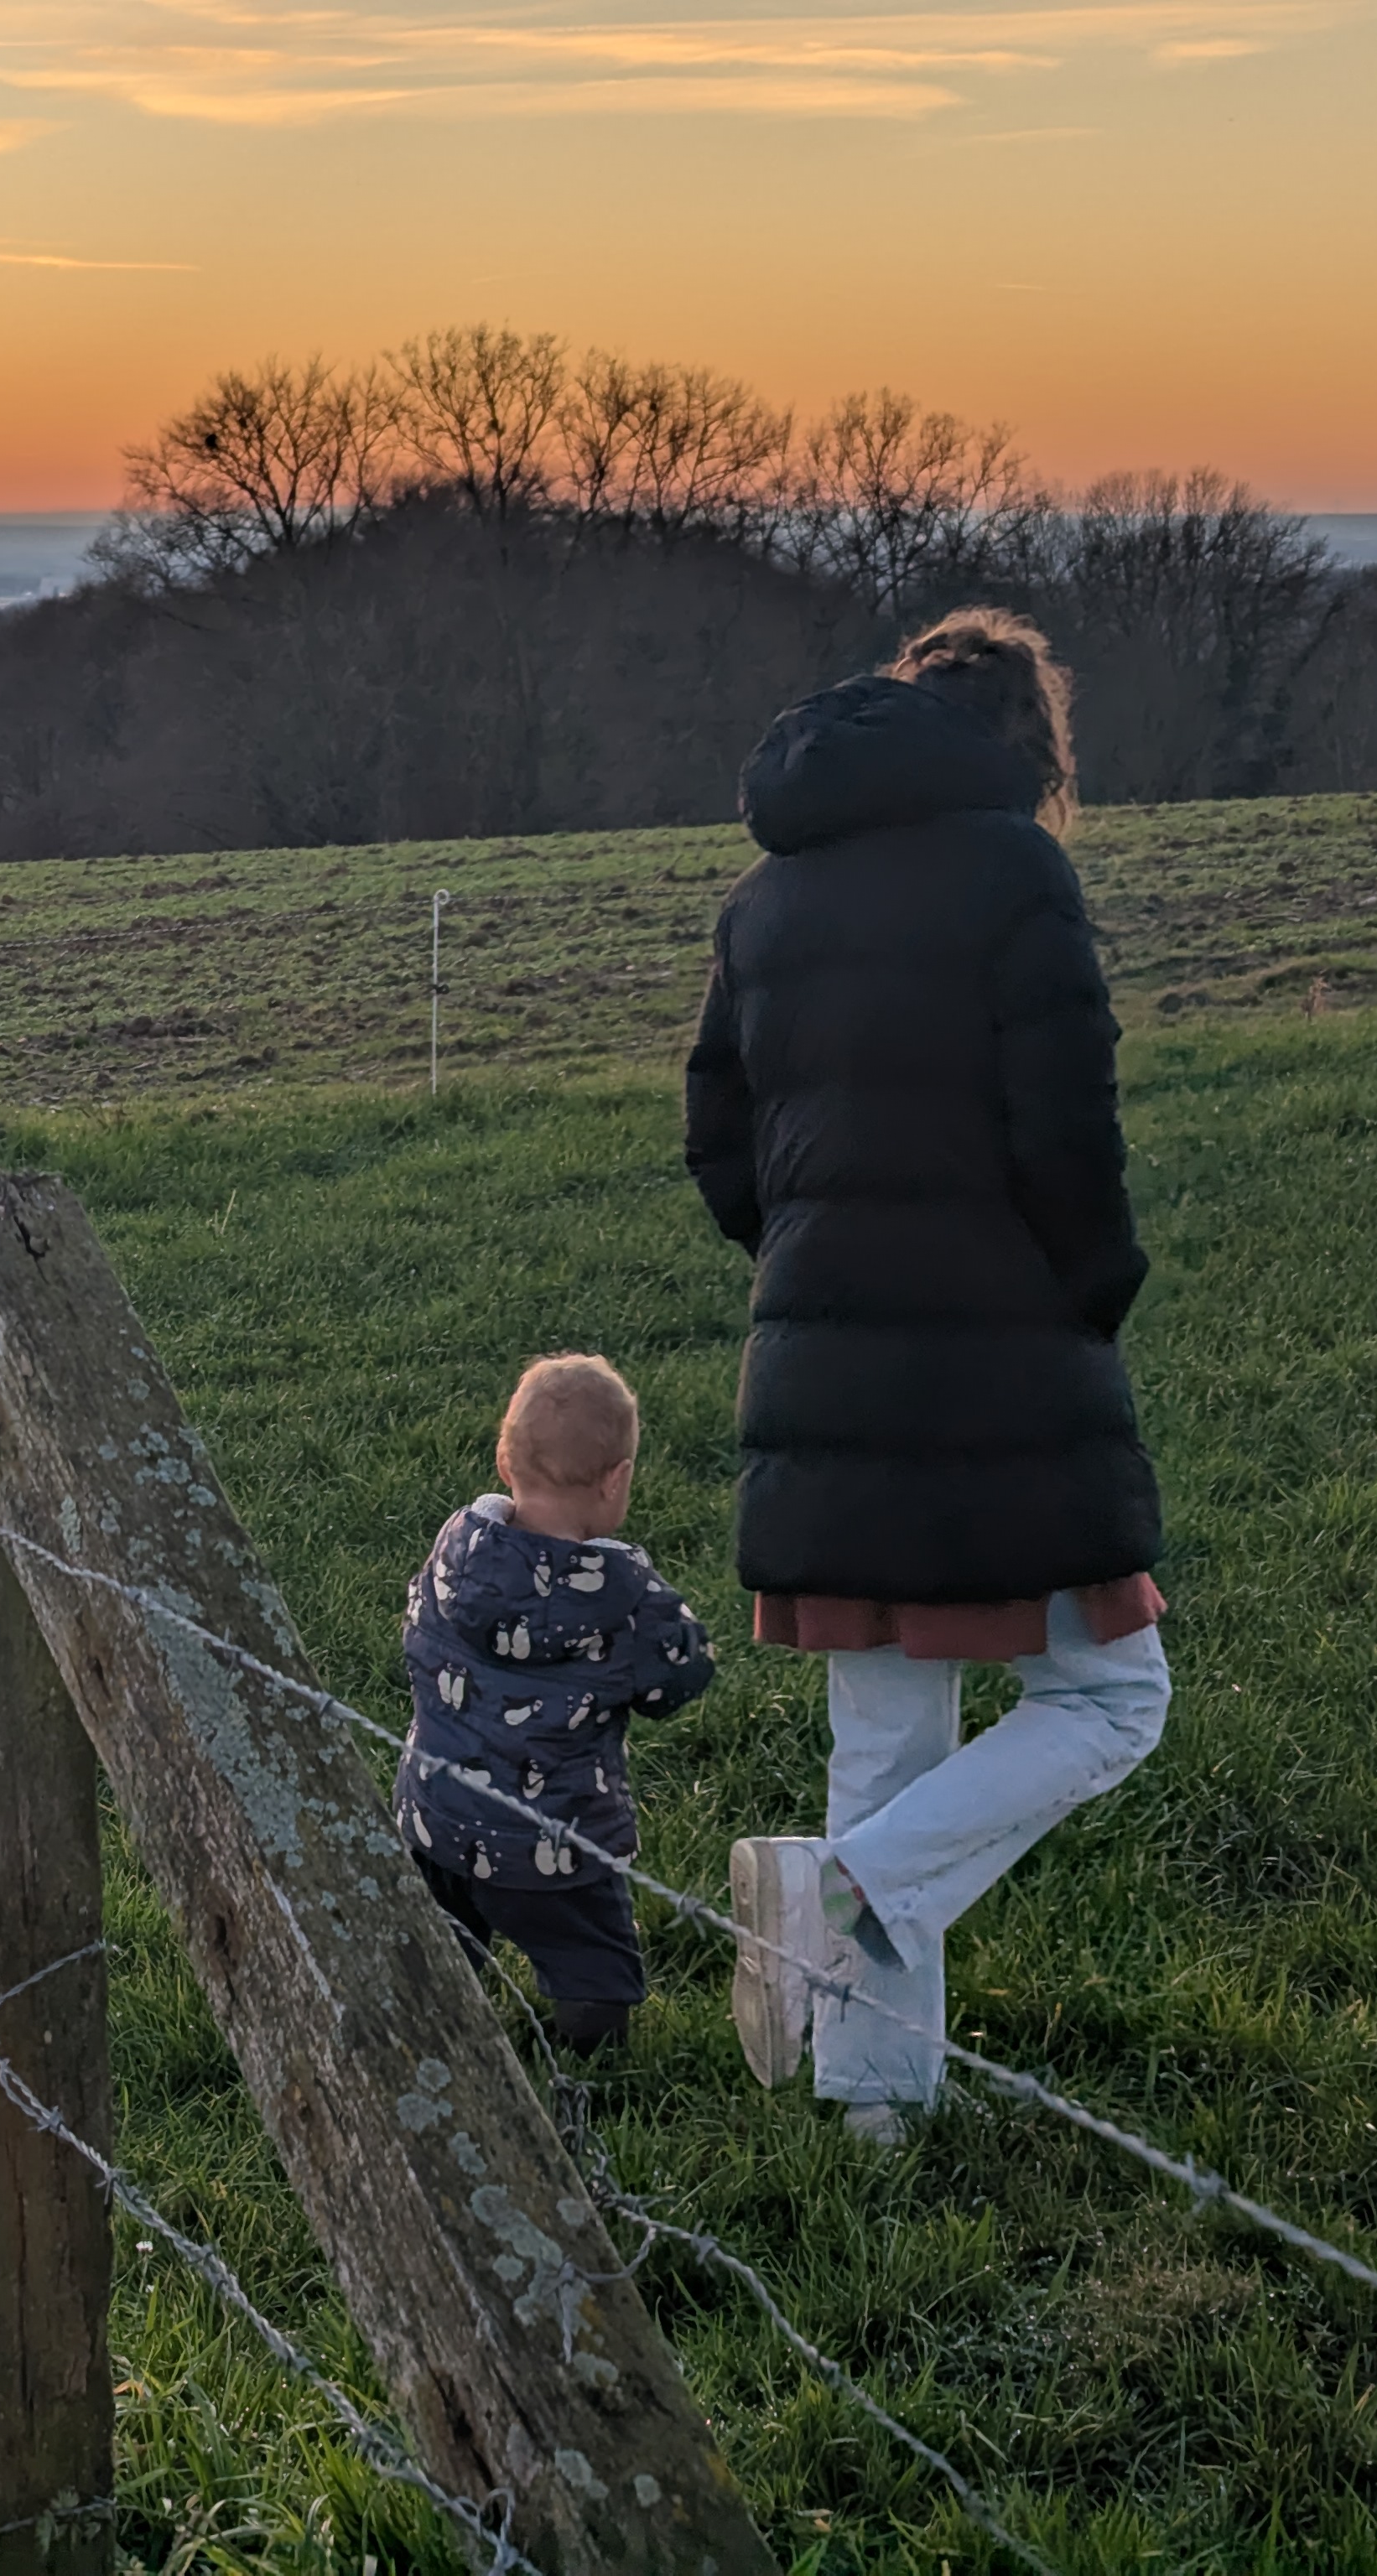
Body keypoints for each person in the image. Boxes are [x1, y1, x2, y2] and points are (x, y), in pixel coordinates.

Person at [683, 608, 1172, 2145]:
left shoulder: (766, 894)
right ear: (1032, 750)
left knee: (888, 1737)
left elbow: (718, 1144)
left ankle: (874, 2107)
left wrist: (812, 1262)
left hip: (819, 1350)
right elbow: (1068, 1131)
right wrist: (1094, 1289)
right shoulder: (1017, 871)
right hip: (1002, 1352)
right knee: (1113, 1696)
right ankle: (845, 1890)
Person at [394, 1351, 715, 2056]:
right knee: (590, 1958)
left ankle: (433, 2033)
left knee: (441, 1947)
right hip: (556, 1841)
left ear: (503, 1460)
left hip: (437, 1817)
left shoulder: (455, 1550)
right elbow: (681, 1679)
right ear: (616, 1479)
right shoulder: (626, 1594)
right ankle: (589, 2053)